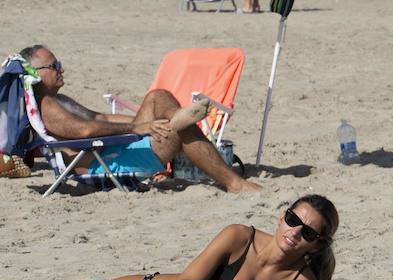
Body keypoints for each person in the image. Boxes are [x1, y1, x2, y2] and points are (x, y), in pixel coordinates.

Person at [0, 195, 338, 280]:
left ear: (316, 245)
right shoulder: (239, 237)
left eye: (308, 233)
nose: (295, 232)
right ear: (281, 217)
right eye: (293, 220)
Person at [19, 45, 261, 193]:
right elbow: (85, 131)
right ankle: (233, 182)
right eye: (54, 66)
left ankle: (174, 120)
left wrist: (145, 123)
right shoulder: (46, 105)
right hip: (107, 164)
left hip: (112, 151)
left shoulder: (60, 99)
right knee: (180, 126)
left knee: (158, 98)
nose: (61, 69)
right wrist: (138, 127)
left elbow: (100, 117)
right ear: (35, 74)